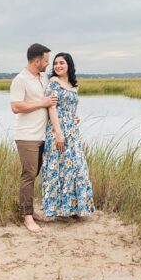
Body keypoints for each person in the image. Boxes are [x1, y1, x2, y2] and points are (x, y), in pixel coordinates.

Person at [10, 43, 58, 233]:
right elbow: (16, 107)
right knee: (28, 175)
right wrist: (42, 103)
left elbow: (51, 104)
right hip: (27, 136)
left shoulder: (43, 78)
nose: (48, 64)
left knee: (35, 173)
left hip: (43, 135)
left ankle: (30, 210)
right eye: (46, 60)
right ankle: (27, 217)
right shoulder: (20, 80)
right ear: (37, 61)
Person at [41, 52, 95, 220]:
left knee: (76, 167)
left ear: (69, 65)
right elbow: (51, 108)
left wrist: (74, 118)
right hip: (57, 130)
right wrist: (58, 133)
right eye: (55, 63)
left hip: (72, 131)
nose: (58, 66)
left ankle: (74, 208)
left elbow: (70, 107)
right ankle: (58, 211)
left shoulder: (72, 85)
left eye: (62, 63)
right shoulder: (53, 83)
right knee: (58, 168)